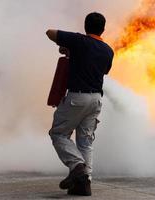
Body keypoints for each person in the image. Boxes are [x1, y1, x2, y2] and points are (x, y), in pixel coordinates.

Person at [46, 12, 114, 196]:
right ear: (103, 29)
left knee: (58, 134)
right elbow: (102, 71)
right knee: (85, 141)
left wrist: (70, 46)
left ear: (85, 26)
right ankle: (84, 184)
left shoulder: (79, 41)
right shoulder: (108, 50)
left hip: (77, 97)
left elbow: (50, 32)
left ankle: (78, 167)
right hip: (96, 100)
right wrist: (72, 52)